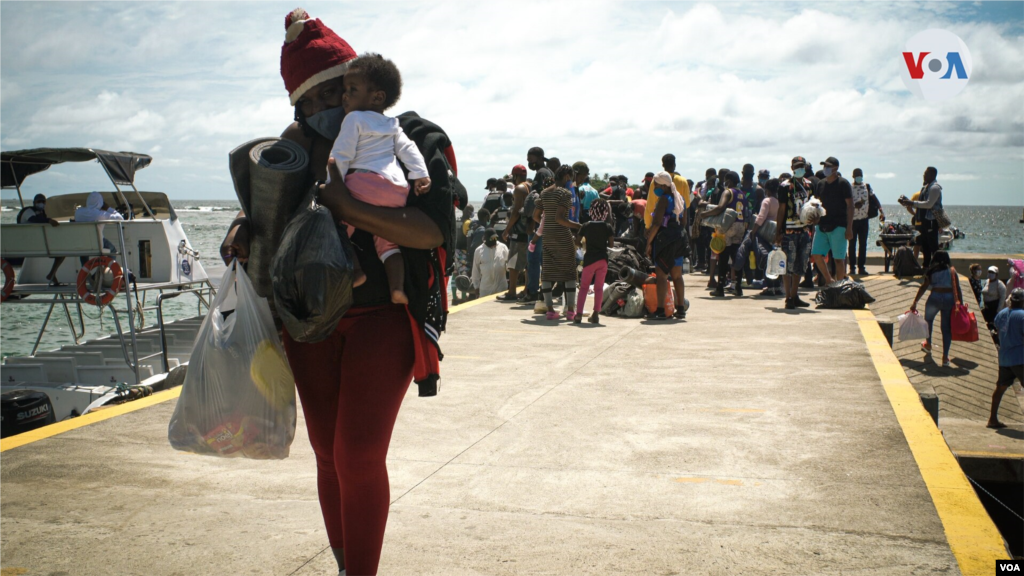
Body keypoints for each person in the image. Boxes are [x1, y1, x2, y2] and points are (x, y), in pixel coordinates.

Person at [220, 10, 455, 574]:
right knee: (327, 454)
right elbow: (268, 212)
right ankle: (349, 563)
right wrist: (242, 226)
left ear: (369, 87)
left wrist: (350, 209)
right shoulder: (293, 152)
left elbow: (432, 230)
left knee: (358, 454)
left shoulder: (416, 137)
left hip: (384, 317)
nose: (334, 106)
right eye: (319, 100)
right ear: (298, 106)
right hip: (310, 323)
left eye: (343, 91)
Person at [328, 53, 431, 305]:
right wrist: (420, 174)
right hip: (396, 190)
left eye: (352, 89)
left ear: (377, 97)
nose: (345, 96)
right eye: (344, 90)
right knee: (388, 245)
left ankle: (356, 271)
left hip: (364, 183)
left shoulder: (353, 118)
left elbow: (341, 153)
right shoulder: (393, 124)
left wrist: (333, 184)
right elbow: (409, 149)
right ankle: (397, 288)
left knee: (338, 230)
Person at [536, 164, 581, 321]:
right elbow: (560, 218)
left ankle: (550, 310)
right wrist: (578, 226)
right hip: (562, 236)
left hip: (547, 236)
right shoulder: (565, 193)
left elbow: (537, 216)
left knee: (547, 273)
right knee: (569, 272)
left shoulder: (544, 193)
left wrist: (546, 223)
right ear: (567, 177)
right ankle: (570, 311)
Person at [645, 171, 689, 319]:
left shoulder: (664, 199)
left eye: (656, 184)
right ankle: (681, 308)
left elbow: (657, 223)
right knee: (677, 276)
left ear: (663, 186)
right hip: (679, 239)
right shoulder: (680, 198)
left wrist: (649, 242)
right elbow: (683, 223)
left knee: (662, 276)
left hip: (665, 241)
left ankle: (661, 310)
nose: (654, 187)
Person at [775, 157, 816, 310]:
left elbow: (813, 205)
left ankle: (794, 294)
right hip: (789, 229)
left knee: (801, 263)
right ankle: (788, 298)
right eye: (797, 166)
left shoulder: (810, 185)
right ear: (792, 167)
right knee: (788, 264)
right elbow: (782, 209)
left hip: (805, 230)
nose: (800, 168)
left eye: (802, 166)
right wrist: (779, 231)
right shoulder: (785, 186)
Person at [910, 250, 957, 367]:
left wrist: (915, 301)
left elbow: (924, 286)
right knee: (946, 328)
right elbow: (958, 288)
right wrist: (958, 303)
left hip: (935, 297)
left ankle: (928, 344)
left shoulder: (932, 271)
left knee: (928, 322)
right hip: (948, 298)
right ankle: (945, 357)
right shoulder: (952, 271)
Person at [810, 156, 853, 285]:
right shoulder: (820, 184)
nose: (826, 169)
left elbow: (850, 206)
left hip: (839, 225)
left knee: (839, 259)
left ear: (835, 168)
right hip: (822, 225)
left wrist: (849, 227)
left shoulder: (843, 184)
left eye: (828, 166)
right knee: (816, 254)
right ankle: (829, 280)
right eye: (825, 166)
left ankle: (840, 286)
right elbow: (816, 203)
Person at [735, 178, 780, 296]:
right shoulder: (779, 201)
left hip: (765, 234)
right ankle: (777, 286)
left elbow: (761, 218)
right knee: (775, 259)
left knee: (765, 258)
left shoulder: (767, 201)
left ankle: (769, 287)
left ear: (767, 190)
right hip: (776, 234)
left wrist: (753, 231)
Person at [705, 171, 747, 297]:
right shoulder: (742, 194)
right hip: (740, 225)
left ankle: (720, 287)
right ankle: (738, 286)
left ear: (728, 181)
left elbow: (720, 207)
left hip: (729, 225)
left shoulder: (728, 192)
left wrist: (705, 214)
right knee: (736, 256)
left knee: (723, 256)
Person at [574, 199, 615, 324]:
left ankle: (579, 314)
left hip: (589, 260)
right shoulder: (608, 227)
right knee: (598, 288)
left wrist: (583, 246)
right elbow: (611, 244)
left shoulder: (585, 226)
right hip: (602, 260)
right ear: (605, 212)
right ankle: (596, 314)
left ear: (591, 211)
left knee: (584, 288)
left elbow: (577, 241)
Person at [988, 288, 1024, 429]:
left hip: (1004, 358)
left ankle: (992, 419)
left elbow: (997, 330)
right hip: (1020, 358)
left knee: (1000, 388)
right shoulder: (1022, 316)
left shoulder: (1002, 314)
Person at [525, 148, 555, 311]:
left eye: (530, 158)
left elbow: (538, 199)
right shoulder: (548, 171)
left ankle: (532, 292)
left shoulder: (541, 173)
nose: (529, 161)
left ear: (537, 157)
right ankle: (544, 291)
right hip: (547, 222)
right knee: (544, 260)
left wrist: (531, 220)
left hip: (539, 223)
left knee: (533, 259)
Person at [498, 165, 530, 302]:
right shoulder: (531, 186)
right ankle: (527, 289)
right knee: (529, 264)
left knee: (513, 263)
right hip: (530, 230)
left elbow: (516, 212)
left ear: (516, 176)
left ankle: (511, 292)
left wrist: (507, 230)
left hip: (519, 231)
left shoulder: (519, 189)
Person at [900, 167, 943, 267]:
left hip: (931, 221)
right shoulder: (925, 188)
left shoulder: (935, 188)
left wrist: (912, 203)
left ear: (932, 175)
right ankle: (926, 266)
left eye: (926, 173)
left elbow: (929, 204)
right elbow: (920, 203)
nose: (924, 175)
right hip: (923, 221)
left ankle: (938, 266)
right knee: (925, 245)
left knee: (933, 246)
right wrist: (907, 202)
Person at [17, 194, 65, 284]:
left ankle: (51, 274)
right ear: (34, 203)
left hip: (37, 241)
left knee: (62, 253)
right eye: (39, 202)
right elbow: (33, 220)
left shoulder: (41, 212)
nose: (41, 204)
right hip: (27, 241)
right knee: (60, 253)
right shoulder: (29, 211)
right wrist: (48, 220)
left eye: (43, 202)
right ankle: (52, 275)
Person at [471, 228, 508, 297]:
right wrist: (476, 287)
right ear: (485, 238)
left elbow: (509, 266)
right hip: (485, 290)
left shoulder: (503, 247)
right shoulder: (478, 251)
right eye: (492, 238)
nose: (494, 240)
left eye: (496, 238)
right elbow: (475, 271)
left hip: (501, 288)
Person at [847, 168, 871, 276]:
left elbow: (874, 198)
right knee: (852, 245)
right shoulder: (849, 188)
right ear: (853, 176)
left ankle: (861, 267)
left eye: (860, 175)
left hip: (864, 220)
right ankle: (852, 267)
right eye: (856, 175)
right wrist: (854, 206)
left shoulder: (867, 186)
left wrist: (880, 209)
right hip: (853, 220)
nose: (858, 176)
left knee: (863, 244)